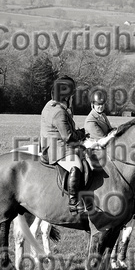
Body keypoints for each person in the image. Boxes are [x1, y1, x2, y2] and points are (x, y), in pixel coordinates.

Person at [40, 76, 86, 215]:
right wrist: (82, 135)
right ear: (66, 97)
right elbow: (69, 137)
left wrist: (80, 133)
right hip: (57, 148)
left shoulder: (50, 105)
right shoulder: (59, 112)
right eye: (71, 96)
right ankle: (74, 202)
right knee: (76, 165)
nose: (72, 99)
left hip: (52, 144)